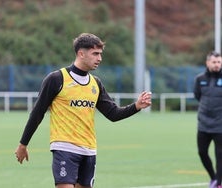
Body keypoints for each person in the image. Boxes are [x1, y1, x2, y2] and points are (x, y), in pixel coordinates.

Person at [15, 33, 152, 188]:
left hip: (89, 151)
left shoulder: (96, 83)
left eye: (100, 54)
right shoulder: (57, 79)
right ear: (81, 53)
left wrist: (137, 106)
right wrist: (23, 144)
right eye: (95, 54)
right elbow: (37, 113)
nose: (99, 58)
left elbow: (113, 114)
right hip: (64, 148)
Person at [194, 51, 222, 188]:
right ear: (208, 63)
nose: (217, 65)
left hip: (220, 125)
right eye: (214, 62)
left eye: (219, 62)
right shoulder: (200, 79)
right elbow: (198, 96)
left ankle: (219, 183)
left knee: (220, 155)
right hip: (203, 124)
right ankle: (213, 178)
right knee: (202, 152)